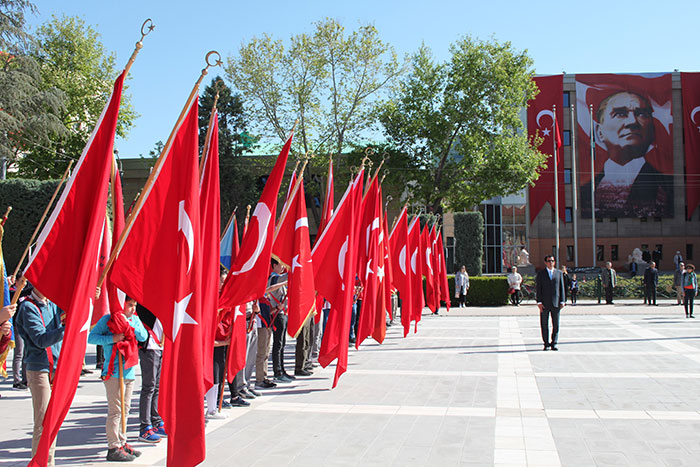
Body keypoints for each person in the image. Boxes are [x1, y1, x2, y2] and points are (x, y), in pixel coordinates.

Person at [581, 91, 673, 218]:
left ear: (651, 130)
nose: (632, 121)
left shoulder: (667, 186)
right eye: (620, 114)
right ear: (599, 132)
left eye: (641, 114)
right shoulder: (584, 190)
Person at [88, 296, 148, 462]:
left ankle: (122, 441)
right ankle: (113, 446)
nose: (132, 309)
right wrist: (112, 339)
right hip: (114, 371)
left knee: (125, 409)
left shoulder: (134, 319)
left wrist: (129, 327)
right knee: (116, 410)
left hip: (129, 370)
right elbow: (91, 337)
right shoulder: (108, 319)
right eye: (129, 305)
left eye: (134, 305)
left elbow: (143, 336)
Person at [13, 287, 61, 466]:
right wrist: (65, 328)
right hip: (39, 368)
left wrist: (91, 296)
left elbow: (76, 307)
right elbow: (40, 339)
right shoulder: (28, 307)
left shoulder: (52, 304)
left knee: (53, 421)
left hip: (55, 367)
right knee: (43, 421)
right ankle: (41, 463)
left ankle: (49, 462)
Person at [135, 305, 165, 443]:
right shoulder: (147, 300)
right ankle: (145, 427)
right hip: (149, 345)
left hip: (160, 344)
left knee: (156, 386)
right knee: (149, 387)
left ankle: (156, 420)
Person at [268, 260, 293, 383]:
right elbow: (286, 277)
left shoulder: (279, 279)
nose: (283, 267)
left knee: (282, 343)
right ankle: (277, 371)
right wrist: (295, 266)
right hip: (277, 314)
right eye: (280, 264)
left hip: (283, 313)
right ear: (274, 266)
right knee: (278, 344)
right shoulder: (274, 277)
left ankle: (282, 370)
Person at [535, 256, 566, 351]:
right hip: (544, 303)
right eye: (549, 261)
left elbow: (562, 288)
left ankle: (554, 343)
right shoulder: (541, 274)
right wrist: (539, 302)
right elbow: (538, 289)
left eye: (552, 261)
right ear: (545, 262)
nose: (551, 263)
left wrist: (563, 301)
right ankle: (546, 343)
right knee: (544, 324)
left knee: (556, 324)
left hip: (556, 303)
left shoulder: (559, 273)